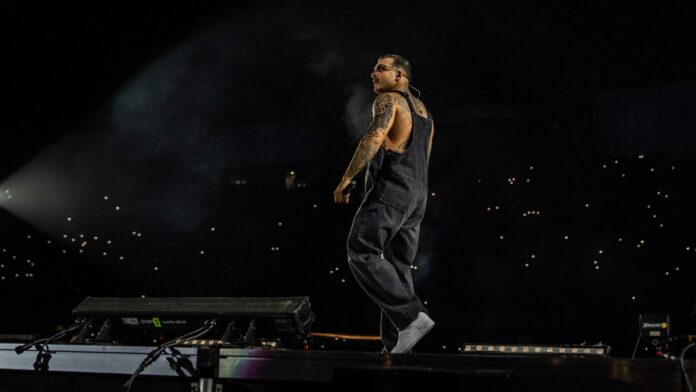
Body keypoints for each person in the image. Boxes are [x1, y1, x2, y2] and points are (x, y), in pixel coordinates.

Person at [333, 54, 435, 354]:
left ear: (400, 76)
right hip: (418, 194)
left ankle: (411, 316)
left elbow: (375, 136)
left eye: (381, 68)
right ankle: (397, 346)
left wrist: (346, 179)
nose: (373, 73)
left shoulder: (389, 100)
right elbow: (424, 156)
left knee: (361, 250)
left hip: (393, 188)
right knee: (398, 268)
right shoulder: (425, 112)